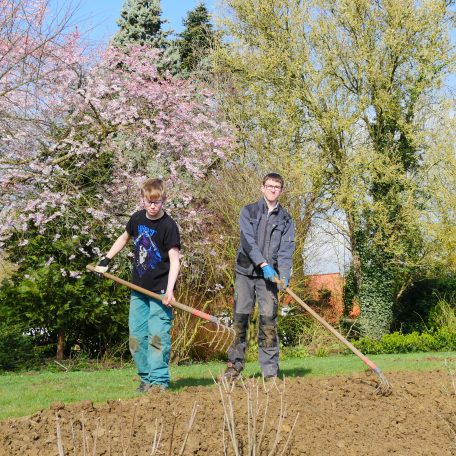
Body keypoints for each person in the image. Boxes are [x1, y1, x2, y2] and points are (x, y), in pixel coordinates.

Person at [94, 178, 180, 392]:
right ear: (142, 200)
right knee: (135, 338)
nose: (153, 206)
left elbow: (175, 260)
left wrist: (170, 291)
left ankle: (159, 381)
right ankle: (146, 379)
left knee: (158, 337)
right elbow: (124, 238)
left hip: (160, 293)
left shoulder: (169, 226)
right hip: (138, 291)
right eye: (148, 202)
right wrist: (106, 259)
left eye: (157, 202)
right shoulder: (136, 219)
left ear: (164, 200)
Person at [224, 172, 295, 381]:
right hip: (245, 273)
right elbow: (247, 242)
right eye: (269, 185)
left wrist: (284, 275)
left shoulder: (286, 219)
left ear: (281, 191)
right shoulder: (249, 211)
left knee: (268, 322)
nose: (273, 189)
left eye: (277, 187)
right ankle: (234, 368)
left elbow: (286, 250)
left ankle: (270, 372)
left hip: (269, 279)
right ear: (262, 187)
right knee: (239, 320)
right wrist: (263, 264)